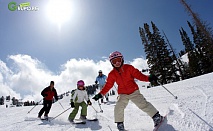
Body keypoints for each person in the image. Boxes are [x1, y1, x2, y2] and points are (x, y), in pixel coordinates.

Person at [92, 51, 162, 131]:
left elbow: (139, 75)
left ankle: (156, 116)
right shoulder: (112, 74)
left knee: (142, 104)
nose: (117, 63)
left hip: (133, 91)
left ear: (122, 59)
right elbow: (108, 85)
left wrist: (149, 78)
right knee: (118, 107)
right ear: (111, 63)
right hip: (123, 94)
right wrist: (100, 95)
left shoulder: (128, 68)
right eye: (114, 61)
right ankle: (120, 124)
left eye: (119, 60)